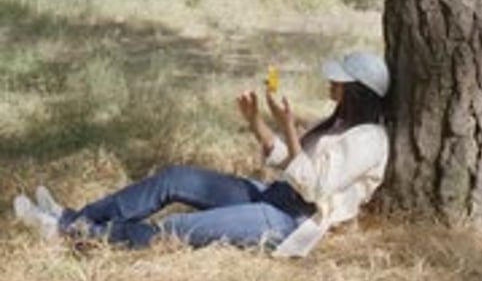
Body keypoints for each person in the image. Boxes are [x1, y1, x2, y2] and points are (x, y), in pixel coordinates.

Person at [13, 49, 390, 258]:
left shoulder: (370, 140)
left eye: (340, 79)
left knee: (175, 230)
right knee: (175, 178)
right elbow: (286, 162)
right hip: (275, 194)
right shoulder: (338, 125)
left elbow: (312, 188)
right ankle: (70, 215)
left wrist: (290, 127)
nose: (332, 81)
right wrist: (256, 122)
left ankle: (70, 232)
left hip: (290, 219)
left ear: (356, 90)